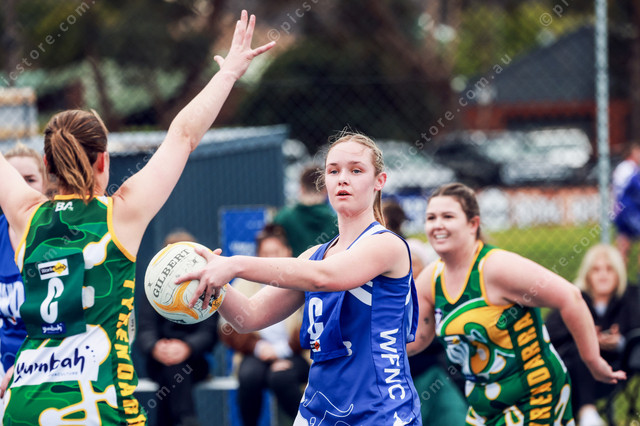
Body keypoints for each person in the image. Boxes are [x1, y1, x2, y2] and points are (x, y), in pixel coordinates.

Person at [0, 11, 273, 424]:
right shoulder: (120, 214)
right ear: (103, 161)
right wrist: (229, 73)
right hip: (91, 404)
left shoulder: (25, 215)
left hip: (23, 403)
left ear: (46, 164)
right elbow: (183, 135)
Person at [180, 131, 422, 424]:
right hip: (319, 411)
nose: (343, 179)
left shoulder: (387, 245)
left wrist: (235, 264)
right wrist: (213, 281)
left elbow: (325, 277)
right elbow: (249, 317)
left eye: (356, 170)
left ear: (379, 181)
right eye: (333, 171)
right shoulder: (314, 256)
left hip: (379, 411)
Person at [407, 182, 626, 425]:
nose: (437, 225)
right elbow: (415, 339)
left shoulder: (496, 267)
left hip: (534, 396)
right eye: (431, 218)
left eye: (448, 216)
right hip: (485, 404)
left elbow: (570, 297)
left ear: (473, 224)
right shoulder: (431, 278)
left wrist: (593, 361)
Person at [382, 198, 468, 425]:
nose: (408, 270)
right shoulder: (384, 290)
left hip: (430, 372)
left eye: (414, 264)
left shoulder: (433, 293)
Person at [218, 224, 309, 426]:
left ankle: (308, 422)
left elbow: (310, 324)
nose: (271, 258)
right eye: (266, 254)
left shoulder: (300, 280)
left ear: (288, 252)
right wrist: (258, 347)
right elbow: (226, 327)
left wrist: (282, 351)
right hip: (256, 353)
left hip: (296, 353)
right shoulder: (243, 284)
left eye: (276, 252)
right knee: (249, 376)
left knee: (281, 377)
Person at [546, 244, 640, 426]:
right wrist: (586, 336)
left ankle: (585, 415)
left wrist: (620, 342)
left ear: (618, 273)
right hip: (571, 370)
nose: (603, 275)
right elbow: (551, 332)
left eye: (609, 269)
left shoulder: (631, 297)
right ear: (588, 274)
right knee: (580, 345)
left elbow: (636, 334)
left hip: (614, 371)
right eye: (596, 270)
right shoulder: (574, 300)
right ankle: (587, 413)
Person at [137, 229, 220, 426]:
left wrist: (187, 348)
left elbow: (209, 333)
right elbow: (145, 330)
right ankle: (187, 420)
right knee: (173, 369)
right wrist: (156, 348)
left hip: (195, 362)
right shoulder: (152, 290)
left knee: (174, 370)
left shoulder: (209, 288)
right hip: (159, 361)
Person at [0, 143, 47, 375]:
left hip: (49, 361)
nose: (21, 189)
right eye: (14, 181)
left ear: (46, 184)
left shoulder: (61, 235)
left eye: (29, 180)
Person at [273, 164, 338, 256]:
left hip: (293, 265)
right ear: (325, 190)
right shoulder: (338, 223)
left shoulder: (283, 218)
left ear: (301, 188)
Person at [612, 141, 640, 265]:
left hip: (627, 209)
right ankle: (619, 271)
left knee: (623, 243)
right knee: (623, 244)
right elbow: (624, 190)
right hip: (628, 210)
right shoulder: (628, 168)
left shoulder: (630, 168)